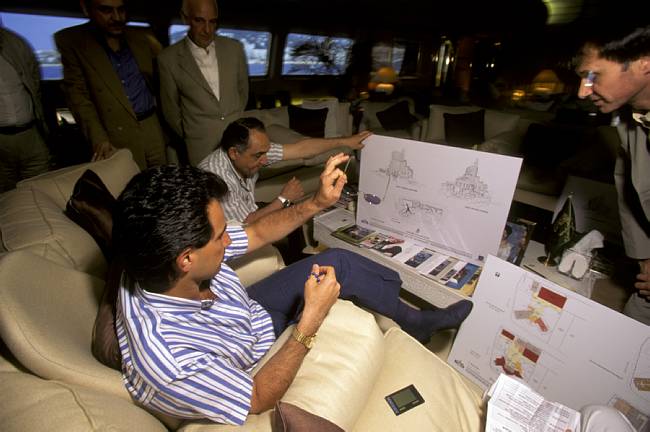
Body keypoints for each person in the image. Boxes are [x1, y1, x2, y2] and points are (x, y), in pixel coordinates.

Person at [113, 155, 473, 425]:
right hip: (253, 352)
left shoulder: (157, 253)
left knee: (338, 261)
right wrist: (310, 318)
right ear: (186, 260)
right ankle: (413, 322)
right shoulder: (169, 360)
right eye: (220, 237)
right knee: (328, 288)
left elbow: (256, 232)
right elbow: (257, 397)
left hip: (245, 311)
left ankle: (416, 321)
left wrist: (317, 202)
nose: (229, 240)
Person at [575, 25, 650, 325]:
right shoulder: (630, 124)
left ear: (644, 62)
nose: (583, 91)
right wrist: (644, 256)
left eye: (593, 75)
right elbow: (630, 191)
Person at [55, 0, 167, 170]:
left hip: (152, 128)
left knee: (163, 180)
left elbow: (164, 79)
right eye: (106, 10)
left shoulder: (143, 37)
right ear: (86, 9)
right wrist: (98, 139)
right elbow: (79, 98)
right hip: (114, 135)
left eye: (121, 10)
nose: (117, 18)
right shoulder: (73, 41)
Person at [199, 116, 370, 223]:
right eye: (258, 155)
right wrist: (283, 199)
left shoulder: (256, 150)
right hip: (227, 231)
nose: (265, 160)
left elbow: (303, 149)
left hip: (248, 209)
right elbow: (245, 223)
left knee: (296, 216)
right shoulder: (216, 177)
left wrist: (345, 141)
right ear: (234, 153)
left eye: (266, 152)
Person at [158, 0, 249, 166]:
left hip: (238, 141)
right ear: (185, 18)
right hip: (200, 147)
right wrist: (194, 132)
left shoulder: (235, 49)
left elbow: (243, 92)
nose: (207, 30)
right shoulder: (167, 59)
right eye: (199, 20)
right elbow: (171, 111)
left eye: (212, 22)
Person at [0, 27, 50, 192]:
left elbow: (35, 81)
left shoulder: (15, 43)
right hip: (2, 141)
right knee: (6, 196)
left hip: (31, 134)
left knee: (42, 188)